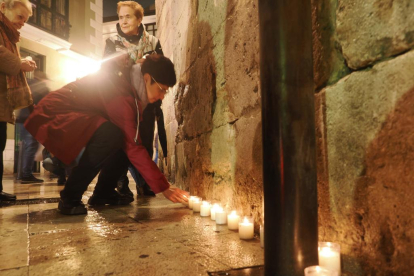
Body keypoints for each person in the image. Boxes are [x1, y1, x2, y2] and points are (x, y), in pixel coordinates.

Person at [25, 54, 189, 215]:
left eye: (165, 92)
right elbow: (134, 146)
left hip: (81, 116)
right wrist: (164, 187)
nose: (161, 96)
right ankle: (69, 198)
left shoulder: (131, 88)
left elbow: (131, 141)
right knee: (112, 135)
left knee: (121, 137)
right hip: (58, 114)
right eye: (161, 90)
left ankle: (103, 192)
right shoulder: (122, 94)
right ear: (147, 78)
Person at [103, 0, 166, 197]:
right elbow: (106, 71)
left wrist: (150, 64)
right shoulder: (112, 43)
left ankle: (144, 182)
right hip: (122, 101)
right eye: (121, 17)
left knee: (145, 142)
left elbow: (162, 71)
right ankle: (121, 183)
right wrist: (129, 65)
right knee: (121, 143)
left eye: (128, 16)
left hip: (146, 103)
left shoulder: (153, 42)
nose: (123, 21)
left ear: (139, 19)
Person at [0, 0, 36, 202]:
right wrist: (19, 63)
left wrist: (21, 62)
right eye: (20, 17)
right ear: (4, 7)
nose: (22, 23)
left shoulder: (9, 34)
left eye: (26, 19)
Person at [16, 73, 49, 184]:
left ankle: (23, 174)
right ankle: (26, 175)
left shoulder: (27, 84)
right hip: (30, 120)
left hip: (21, 119)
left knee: (26, 147)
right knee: (31, 146)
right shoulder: (42, 88)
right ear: (43, 79)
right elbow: (46, 105)